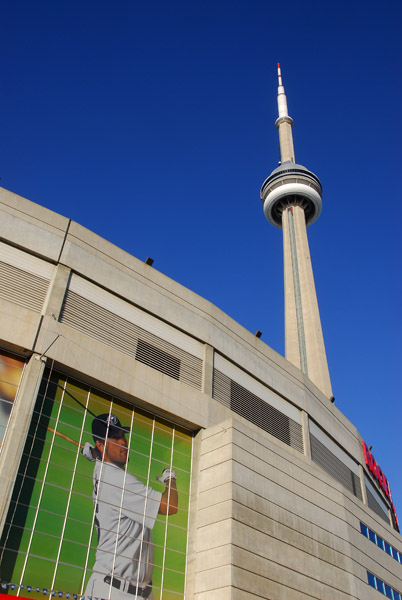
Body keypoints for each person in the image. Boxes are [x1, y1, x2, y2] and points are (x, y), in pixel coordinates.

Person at [82, 413, 178, 600]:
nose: (123, 442)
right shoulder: (118, 480)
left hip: (131, 591)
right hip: (113, 591)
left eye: (122, 435)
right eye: (115, 437)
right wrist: (170, 479)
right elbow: (170, 506)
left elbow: (102, 462)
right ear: (101, 445)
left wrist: (96, 455)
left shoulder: (101, 470)